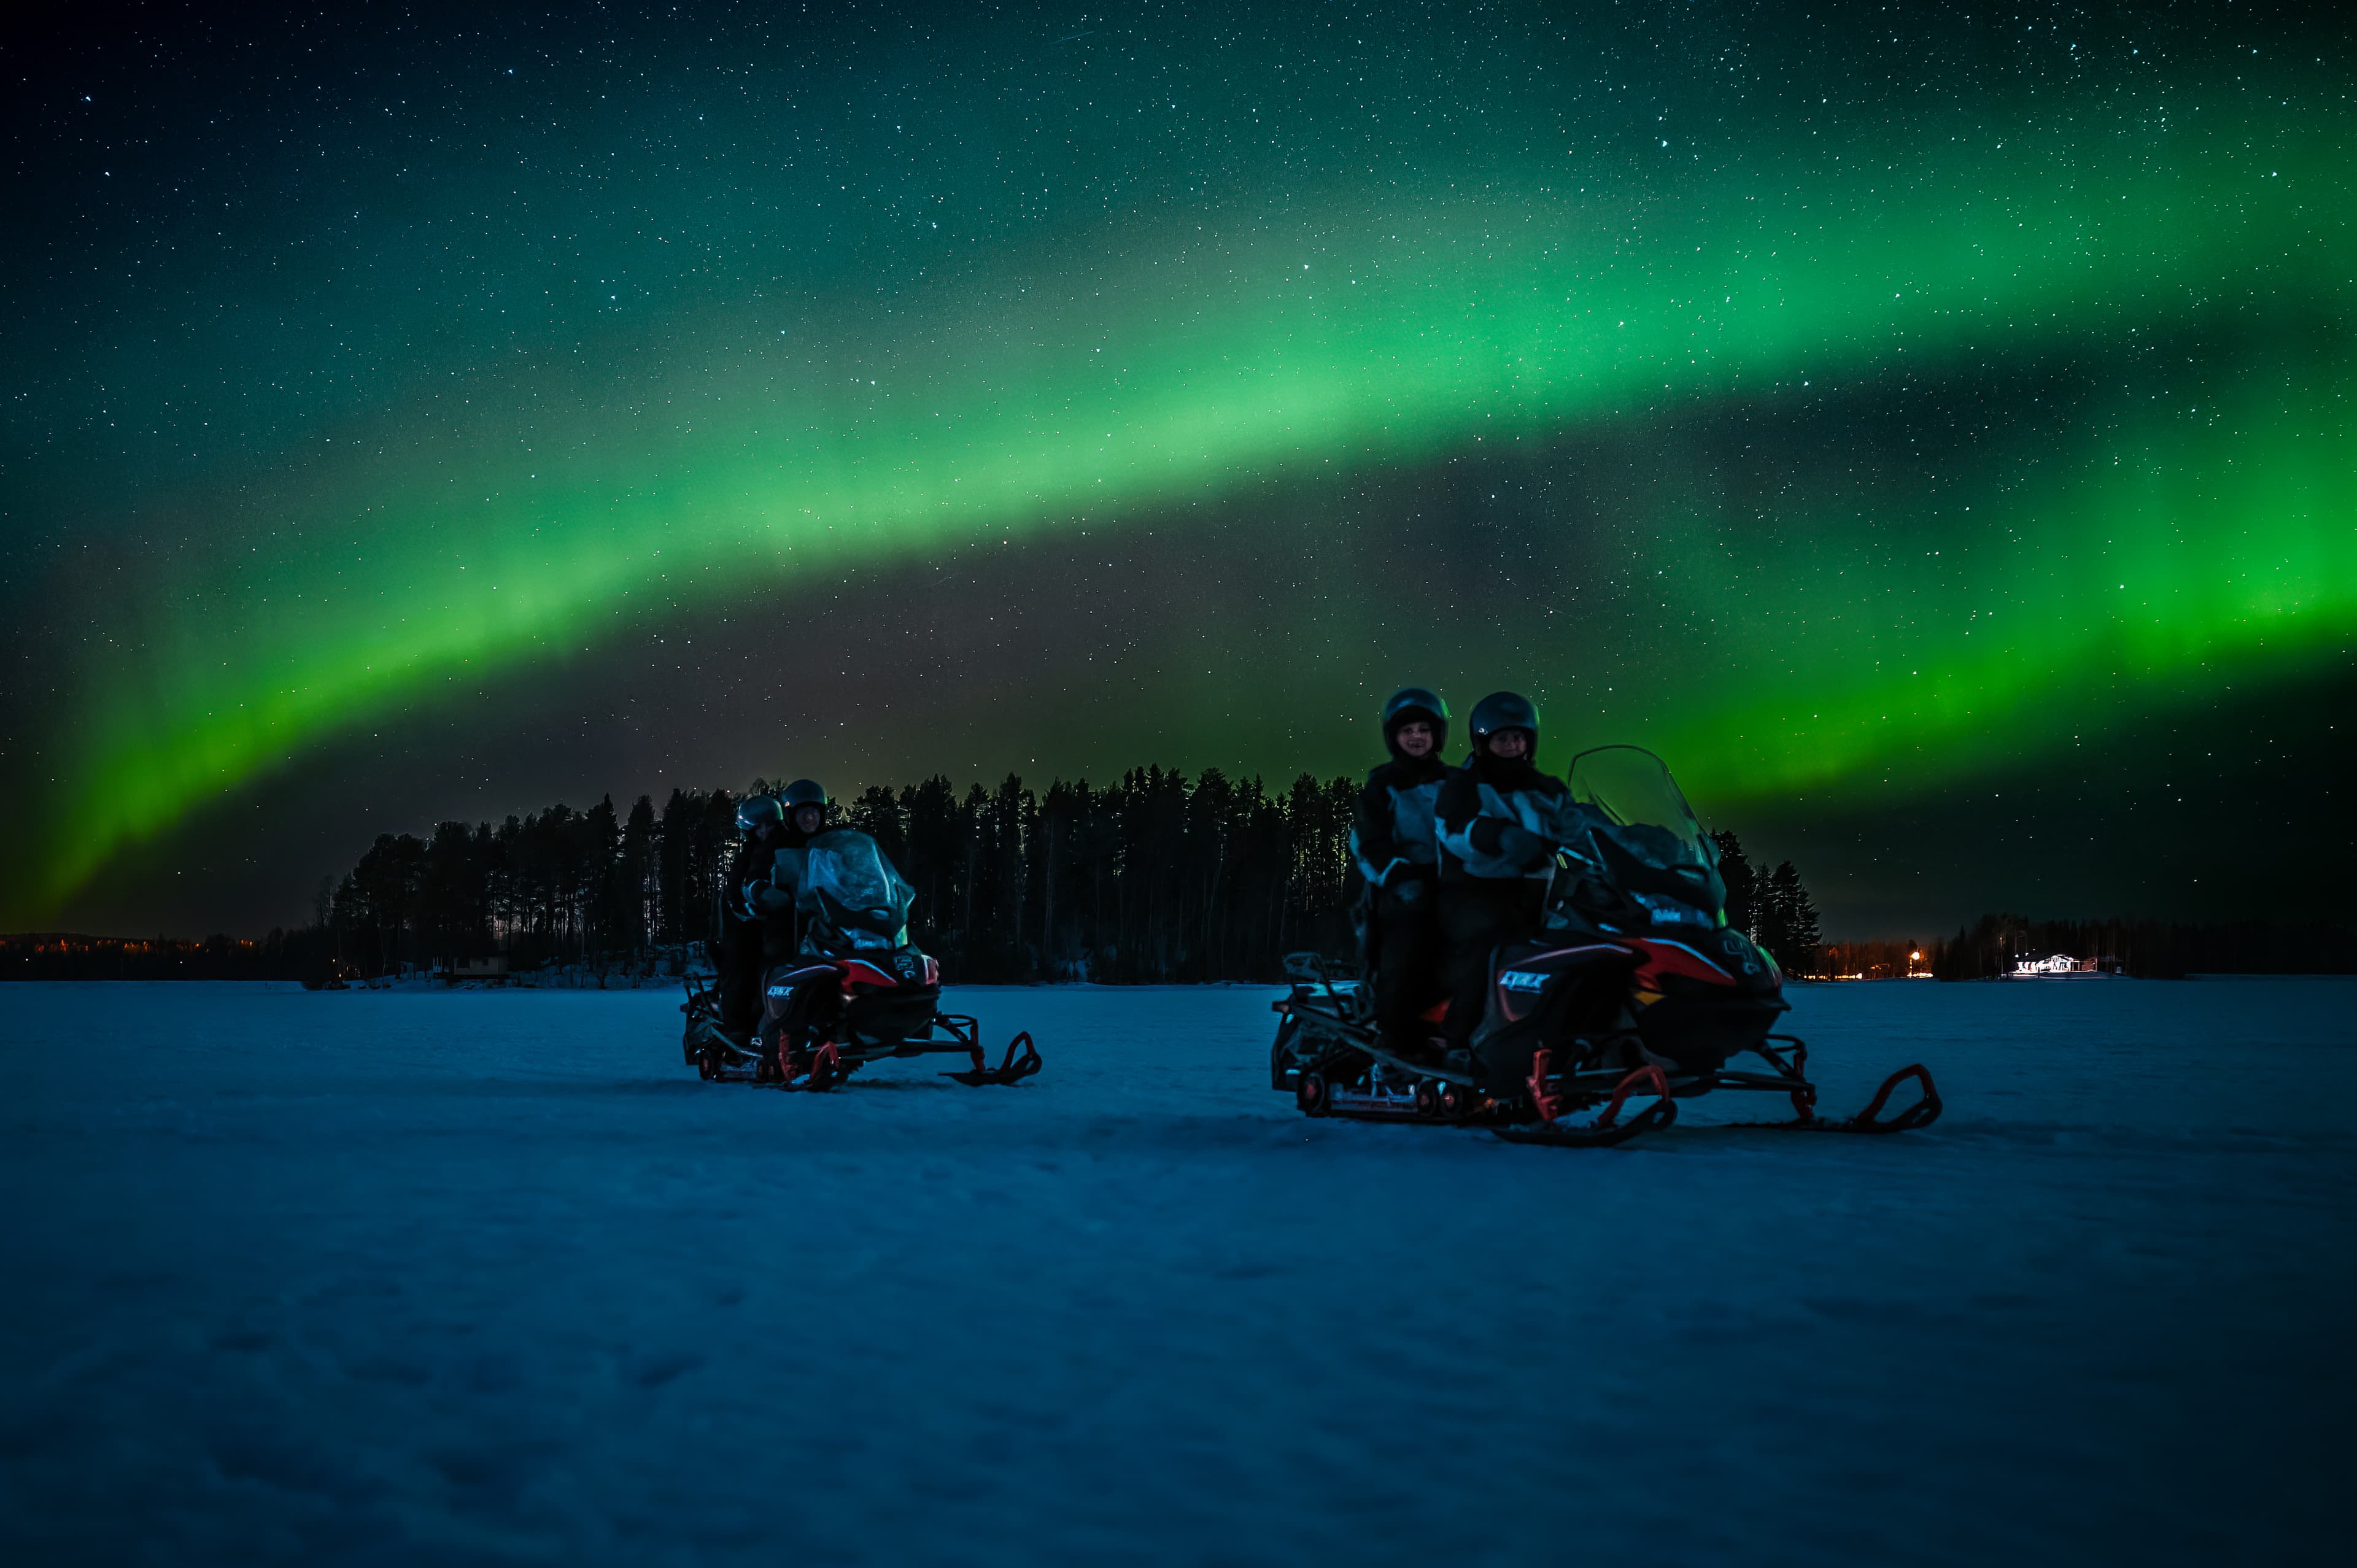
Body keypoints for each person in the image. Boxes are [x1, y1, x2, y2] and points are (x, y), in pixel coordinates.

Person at [1434, 691, 1572, 1051]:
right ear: (1484, 742)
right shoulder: (1463, 784)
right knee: (1494, 942)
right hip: (1471, 891)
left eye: (1518, 737)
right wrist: (1498, 835)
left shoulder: (1548, 789)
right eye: (1501, 738)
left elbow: (1579, 825)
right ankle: (1459, 1038)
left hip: (1537, 892)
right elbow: (1451, 829)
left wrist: (1633, 840)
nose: (1511, 745)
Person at [1350, 686, 1451, 1059]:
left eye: (1424, 730)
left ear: (1437, 734)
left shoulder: (1455, 780)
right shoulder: (1382, 784)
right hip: (1400, 887)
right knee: (1407, 953)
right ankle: (1396, 1043)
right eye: (1407, 731)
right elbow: (1369, 840)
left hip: (1453, 884)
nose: (1416, 738)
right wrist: (1398, 876)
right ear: (1394, 736)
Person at [716, 794, 786, 1035]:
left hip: (785, 924)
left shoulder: (791, 850)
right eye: (759, 827)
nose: (765, 830)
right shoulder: (748, 857)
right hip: (748, 927)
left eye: (770, 824)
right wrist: (756, 903)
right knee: (743, 968)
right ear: (750, 830)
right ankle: (739, 1030)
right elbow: (737, 893)